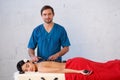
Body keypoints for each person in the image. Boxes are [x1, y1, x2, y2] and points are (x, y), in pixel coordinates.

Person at [17, 57, 120, 80]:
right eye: (26, 70)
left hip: (74, 67)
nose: (29, 69)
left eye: (27, 66)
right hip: (74, 61)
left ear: (30, 62)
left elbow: (60, 70)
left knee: (102, 75)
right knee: (103, 67)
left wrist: (79, 71)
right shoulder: (41, 63)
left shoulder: (41, 68)